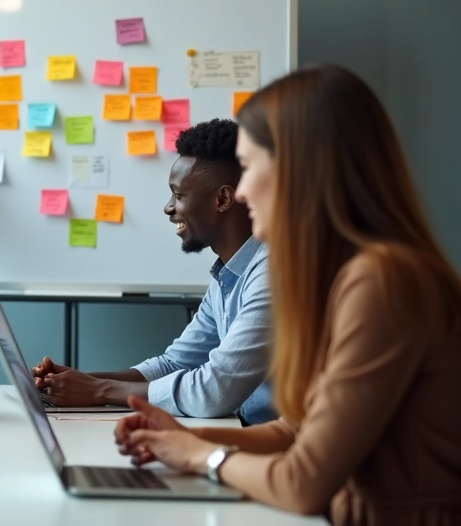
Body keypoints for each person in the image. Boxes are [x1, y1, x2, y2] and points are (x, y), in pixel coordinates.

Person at [116, 65, 461, 525]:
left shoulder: (383, 282)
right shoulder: (347, 274)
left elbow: (302, 482)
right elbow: (296, 430)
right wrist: (186, 438)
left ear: (299, 171)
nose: (243, 191)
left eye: (251, 167)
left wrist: (200, 458)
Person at [32, 119, 276, 425]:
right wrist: (77, 382)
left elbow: (214, 391)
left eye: (179, 195)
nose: (168, 208)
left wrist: (98, 390)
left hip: (278, 446)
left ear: (223, 199)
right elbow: (174, 363)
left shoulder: (271, 275)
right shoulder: (227, 276)